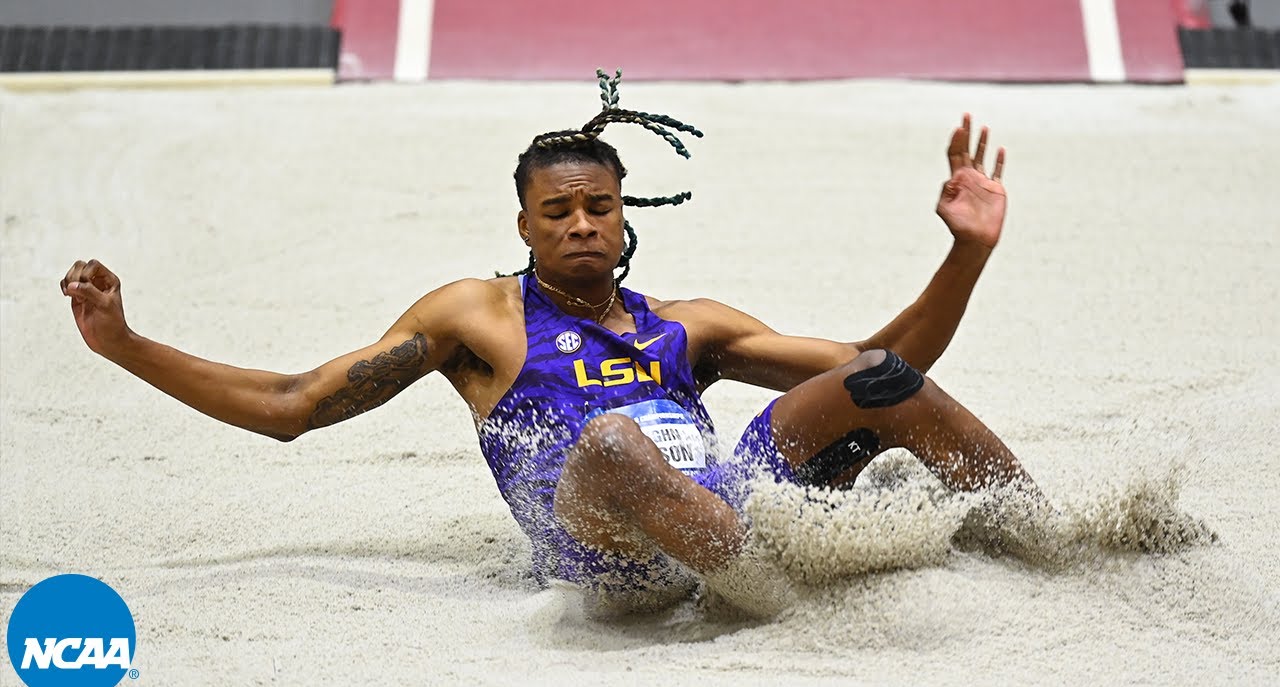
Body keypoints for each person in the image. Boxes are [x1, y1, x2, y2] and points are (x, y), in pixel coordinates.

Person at [61, 71, 1046, 618]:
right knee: (610, 442)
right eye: (557, 211)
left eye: (598, 208)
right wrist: (125, 344)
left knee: (879, 384)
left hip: (723, 504)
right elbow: (292, 406)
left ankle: (1045, 535)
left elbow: (880, 365)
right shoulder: (474, 321)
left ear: (624, 221)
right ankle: (755, 590)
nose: (581, 224)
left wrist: (962, 257)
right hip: (606, 549)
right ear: (526, 227)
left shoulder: (685, 324)